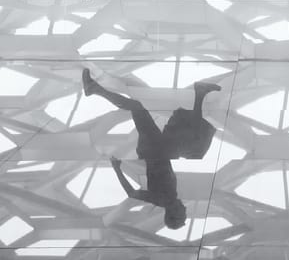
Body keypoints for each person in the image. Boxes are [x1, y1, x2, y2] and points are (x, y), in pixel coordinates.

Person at [81, 67, 221, 228]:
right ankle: (200, 93)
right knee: (196, 147)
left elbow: (132, 193)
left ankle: (94, 89)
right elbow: (134, 193)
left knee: (195, 146)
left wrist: (117, 168)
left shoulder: (161, 199)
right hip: (161, 149)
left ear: (173, 214)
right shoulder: (168, 197)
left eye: (182, 214)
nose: (184, 209)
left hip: (154, 148)